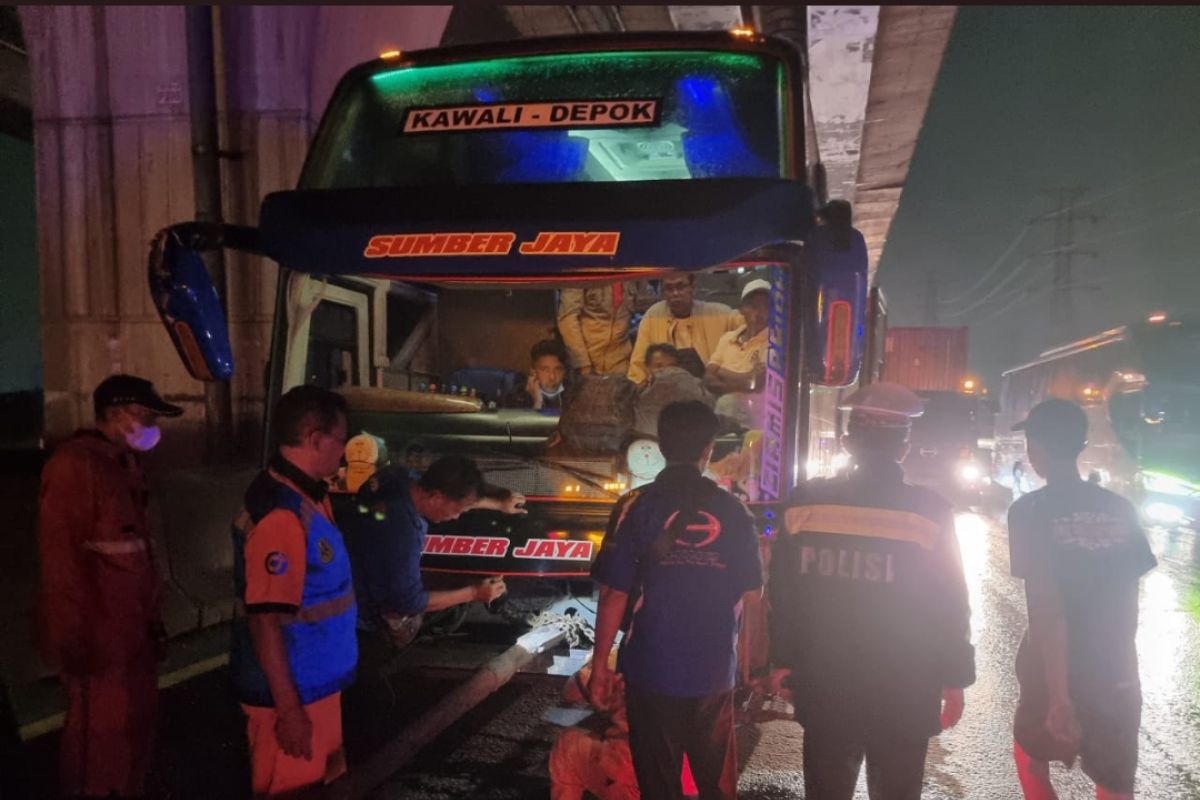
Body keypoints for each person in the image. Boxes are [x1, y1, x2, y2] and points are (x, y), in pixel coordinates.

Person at [768, 382, 975, 800]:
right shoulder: (929, 511)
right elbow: (950, 604)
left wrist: (781, 660)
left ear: (847, 442)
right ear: (904, 446)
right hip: (905, 689)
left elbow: (783, 595)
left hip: (827, 684)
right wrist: (954, 678)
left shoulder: (805, 504)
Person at [590, 400, 763, 800]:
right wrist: (750, 668)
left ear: (663, 446)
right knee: (714, 786)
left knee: (658, 785)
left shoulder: (635, 506)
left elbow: (614, 591)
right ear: (709, 449)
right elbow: (753, 594)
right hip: (713, 671)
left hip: (650, 669)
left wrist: (601, 666)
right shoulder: (735, 511)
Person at [37, 374, 182, 798]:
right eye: (147, 416)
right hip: (99, 644)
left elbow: (136, 555)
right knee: (98, 745)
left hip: (133, 638)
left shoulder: (123, 464)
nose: (153, 426)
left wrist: (154, 625)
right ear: (118, 414)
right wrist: (73, 640)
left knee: (134, 737)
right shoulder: (75, 466)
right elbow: (60, 560)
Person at [1007, 399, 1156, 800]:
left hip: (1050, 667)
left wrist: (1059, 696)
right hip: (1115, 667)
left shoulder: (1028, 511)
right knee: (1115, 776)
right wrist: (1116, 662)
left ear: (1034, 449)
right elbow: (1129, 599)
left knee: (1030, 753)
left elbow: (1047, 606)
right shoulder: (1120, 508)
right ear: (1081, 444)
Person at [230, 385, 358, 797]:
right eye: (342, 442)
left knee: (325, 782)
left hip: (315, 685)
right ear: (316, 440)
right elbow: (265, 619)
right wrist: (289, 711)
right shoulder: (282, 515)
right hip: (293, 695)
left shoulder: (307, 497)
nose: (343, 454)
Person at [338, 455, 522, 649]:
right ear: (435, 497)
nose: (456, 517)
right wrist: (474, 593)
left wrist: (498, 504)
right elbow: (409, 603)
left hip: (357, 563)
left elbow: (455, 495)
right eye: (457, 511)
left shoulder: (398, 476)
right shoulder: (402, 532)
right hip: (359, 613)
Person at [627, 274, 739, 386]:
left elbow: (746, 324)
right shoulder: (654, 315)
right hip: (665, 391)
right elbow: (638, 368)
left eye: (681, 286)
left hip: (710, 391)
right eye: (669, 288)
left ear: (693, 287)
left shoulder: (719, 314)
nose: (675, 293)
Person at [705, 279, 771, 429]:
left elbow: (756, 383)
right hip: (720, 420)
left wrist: (721, 372)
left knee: (727, 402)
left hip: (755, 422)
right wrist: (744, 379)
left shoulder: (774, 342)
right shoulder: (727, 338)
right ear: (742, 309)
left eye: (765, 306)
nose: (759, 313)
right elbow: (708, 378)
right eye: (753, 306)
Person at [557, 281, 656, 377]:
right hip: (586, 364)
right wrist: (583, 364)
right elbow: (568, 319)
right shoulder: (581, 269)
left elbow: (650, 302)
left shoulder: (631, 270)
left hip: (621, 366)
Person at [632, 344, 713, 439]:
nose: (666, 370)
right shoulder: (634, 394)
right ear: (647, 368)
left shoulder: (692, 386)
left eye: (671, 366)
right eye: (658, 366)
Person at [512, 339, 572, 410]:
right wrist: (537, 401)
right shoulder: (518, 395)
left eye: (558, 370)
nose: (552, 377)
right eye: (545, 370)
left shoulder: (572, 395)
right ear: (533, 371)